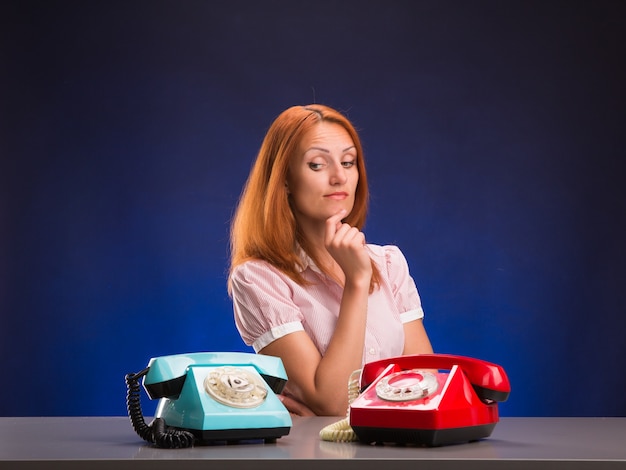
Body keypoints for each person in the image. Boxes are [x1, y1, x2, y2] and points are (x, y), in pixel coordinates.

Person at [228, 104, 433, 416]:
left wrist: (338, 411)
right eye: (317, 165)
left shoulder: (390, 264)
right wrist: (356, 282)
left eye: (348, 162)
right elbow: (333, 402)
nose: (339, 177)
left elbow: (426, 386)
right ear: (284, 180)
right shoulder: (258, 279)